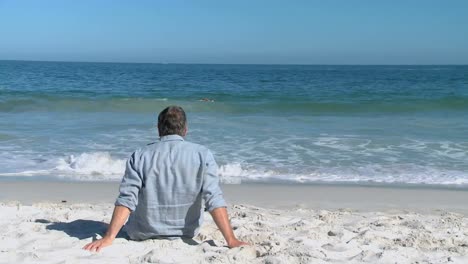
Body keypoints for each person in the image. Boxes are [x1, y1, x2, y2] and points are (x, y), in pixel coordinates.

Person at [83, 106, 248, 252]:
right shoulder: (202, 154)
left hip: (142, 232)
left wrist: (109, 237)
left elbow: (127, 199)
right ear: (185, 129)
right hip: (186, 232)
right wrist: (231, 240)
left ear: (158, 129)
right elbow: (213, 198)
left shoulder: (140, 155)